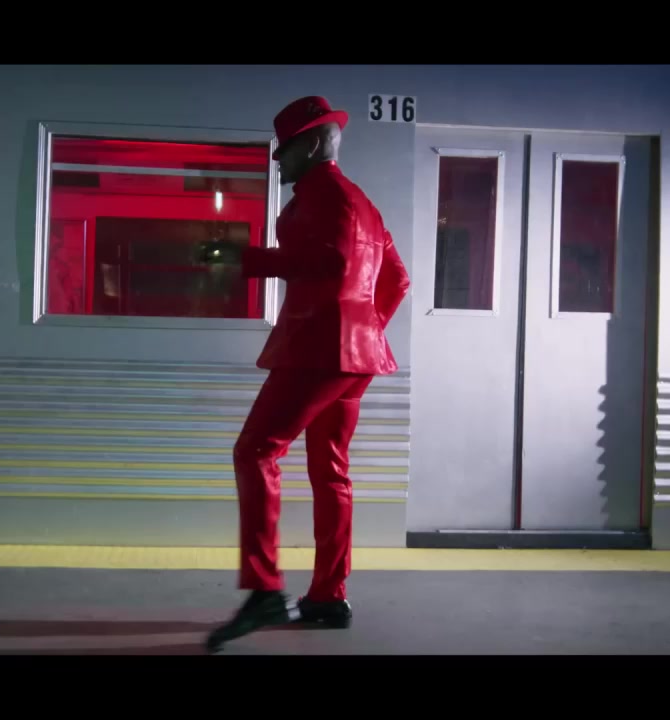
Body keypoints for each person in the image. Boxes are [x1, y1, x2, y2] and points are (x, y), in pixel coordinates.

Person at [198, 96, 410, 652]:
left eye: (284, 148)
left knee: (255, 451)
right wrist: (367, 331)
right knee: (331, 472)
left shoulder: (324, 196)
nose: (277, 159)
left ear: (312, 144)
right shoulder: (363, 203)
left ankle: (265, 588)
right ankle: (328, 596)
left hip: (319, 349)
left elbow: (333, 262)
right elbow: (398, 279)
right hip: (353, 357)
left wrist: (249, 259)